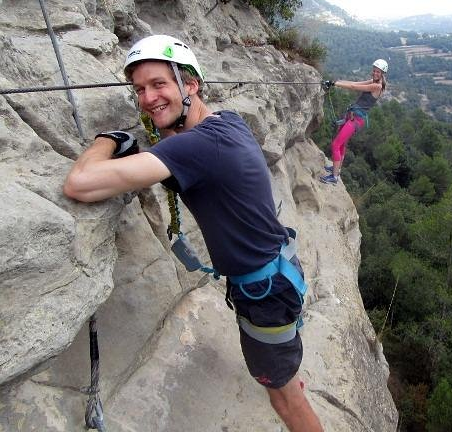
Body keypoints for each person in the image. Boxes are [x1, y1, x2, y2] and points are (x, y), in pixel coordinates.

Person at [63, 35, 323, 432]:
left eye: (159, 84)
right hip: (277, 274)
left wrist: (108, 140)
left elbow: (79, 184)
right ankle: (284, 368)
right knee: (279, 365)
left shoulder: (194, 149)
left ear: (191, 85)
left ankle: (287, 382)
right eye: (140, 90)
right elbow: (180, 146)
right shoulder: (227, 122)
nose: (148, 98)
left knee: (285, 399)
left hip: (265, 294)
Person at [319, 59, 388, 185]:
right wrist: (336, 82)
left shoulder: (377, 86)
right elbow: (354, 83)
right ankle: (337, 167)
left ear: (382, 73)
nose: (374, 73)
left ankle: (334, 177)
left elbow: (353, 87)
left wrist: (334, 84)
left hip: (356, 120)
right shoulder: (375, 81)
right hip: (352, 116)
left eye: (378, 71)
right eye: (374, 70)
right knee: (342, 144)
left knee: (335, 145)